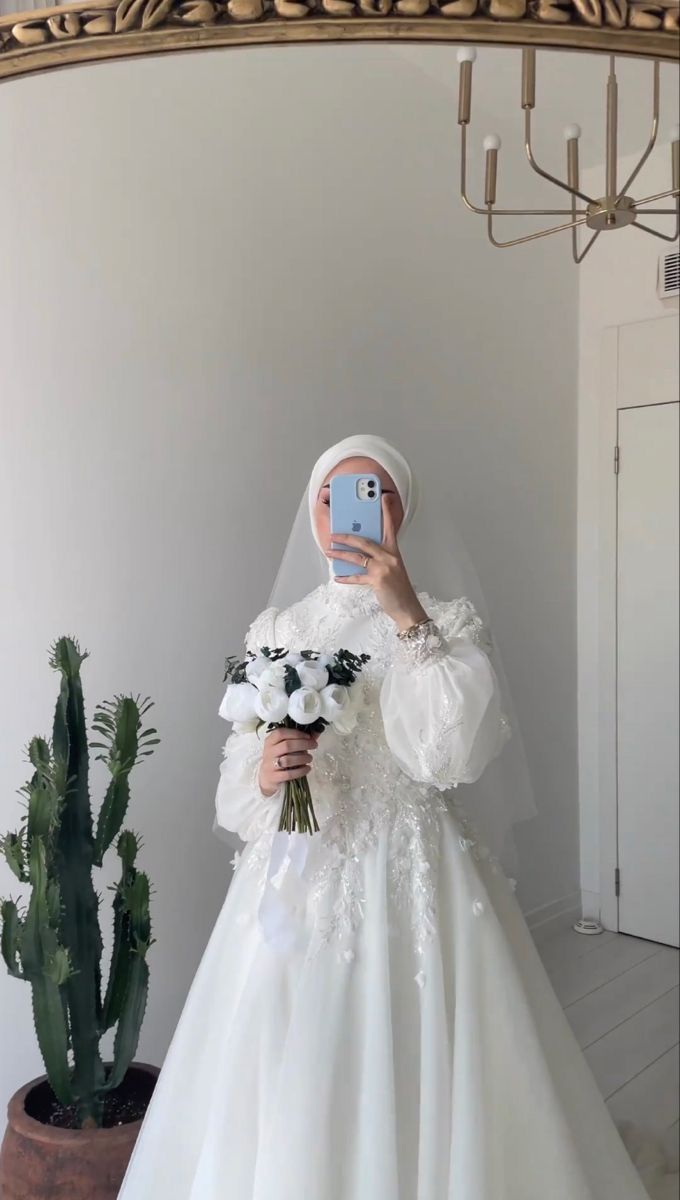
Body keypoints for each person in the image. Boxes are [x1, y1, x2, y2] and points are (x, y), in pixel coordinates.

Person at [119, 435, 665, 1199]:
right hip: (293, 874)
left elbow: (449, 757)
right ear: (312, 514)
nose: (351, 512)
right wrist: (269, 770)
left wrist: (406, 614)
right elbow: (236, 784)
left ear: (402, 512)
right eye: (333, 496)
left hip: (410, 864)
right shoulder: (278, 628)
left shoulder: (442, 618)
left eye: (376, 495)